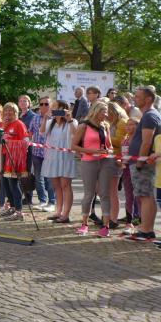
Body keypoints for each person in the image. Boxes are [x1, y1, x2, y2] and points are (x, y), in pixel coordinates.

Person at [71, 101, 117, 237]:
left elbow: (110, 145)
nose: (106, 114)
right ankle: (84, 224)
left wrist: (108, 150)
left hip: (105, 161)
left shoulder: (105, 125)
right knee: (89, 194)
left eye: (107, 112)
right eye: (104, 111)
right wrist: (91, 151)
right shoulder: (84, 125)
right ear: (96, 111)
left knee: (104, 193)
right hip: (89, 162)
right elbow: (74, 146)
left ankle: (106, 226)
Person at [127, 86, 161, 241]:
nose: (135, 99)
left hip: (144, 163)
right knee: (146, 196)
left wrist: (140, 162)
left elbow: (146, 142)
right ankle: (147, 228)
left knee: (144, 196)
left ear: (148, 99)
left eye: (138, 96)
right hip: (145, 161)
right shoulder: (149, 115)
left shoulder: (149, 116)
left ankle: (146, 230)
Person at [41, 101, 77, 224]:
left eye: (55, 107)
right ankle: (58, 211)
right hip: (52, 157)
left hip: (65, 157)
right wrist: (45, 119)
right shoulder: (50, 122)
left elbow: (76, 134)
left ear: (63, 108)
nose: (52, 109)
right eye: (52, 107)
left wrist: (69, 119)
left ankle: (66, 214)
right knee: (56, 186)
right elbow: (42, 132)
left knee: (66, 185)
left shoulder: (72, 121)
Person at [0, 102, 30, 221]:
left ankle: (19, 211)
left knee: (13, 184)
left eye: (10, 111)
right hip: (4, 157)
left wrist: (11, 143)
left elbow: (26, 141)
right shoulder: (5, 125)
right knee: (6, 184)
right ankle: (12, 207)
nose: (7, 113)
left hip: (14, 159)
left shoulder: (19, 124)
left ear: (16, 112)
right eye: (6, 111)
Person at [28, 96, 56, 211]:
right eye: (41, 104)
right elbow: (30, 132)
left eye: (46, 104)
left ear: (51, 105)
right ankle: (42, 201)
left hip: (50, 153)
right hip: (37, 152)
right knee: (38, 178)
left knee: (50, 178)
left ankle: (52, 202)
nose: (44, 106)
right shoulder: (35, 118)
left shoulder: (55, 118)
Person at [107, 102, 129, 228]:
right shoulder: (114, 122)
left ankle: (113, 219)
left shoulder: (121, 122)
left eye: (108, 113)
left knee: (113, 191)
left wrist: (106, 137)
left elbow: (121, 141)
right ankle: (110, 216)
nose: (106, 115)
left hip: (116, 159)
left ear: (113, 112)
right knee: (109, 191)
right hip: (111, 158)